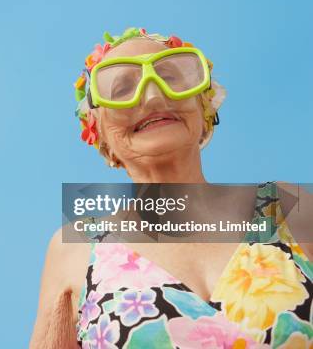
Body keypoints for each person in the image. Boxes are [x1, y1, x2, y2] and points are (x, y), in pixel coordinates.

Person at [30, 27, 312, 348]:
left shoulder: (293, 207)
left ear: (204, 108)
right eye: (122, 88)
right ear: (102, 137)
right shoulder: (75, 248)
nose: (153, 95)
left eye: (171, 76)